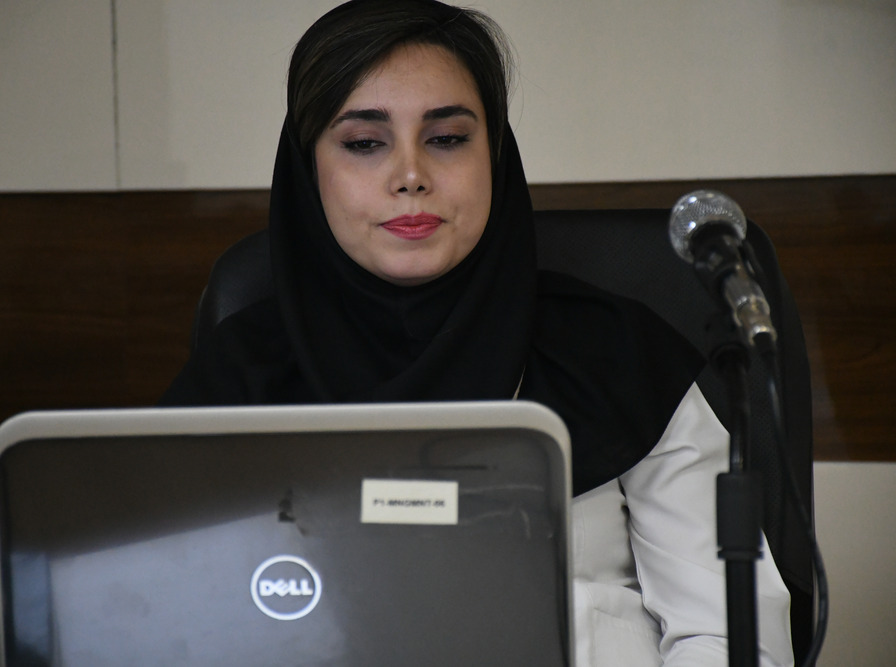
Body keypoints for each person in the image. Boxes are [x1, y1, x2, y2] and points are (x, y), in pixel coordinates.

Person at [162, 0, 794, 664]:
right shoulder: (236, 383)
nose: (411, 176)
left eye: (446, 138)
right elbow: (162, 621)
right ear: (306, 167)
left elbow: (730, 635)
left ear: (494, 152)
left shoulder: (619, 355)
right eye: (364, 143)